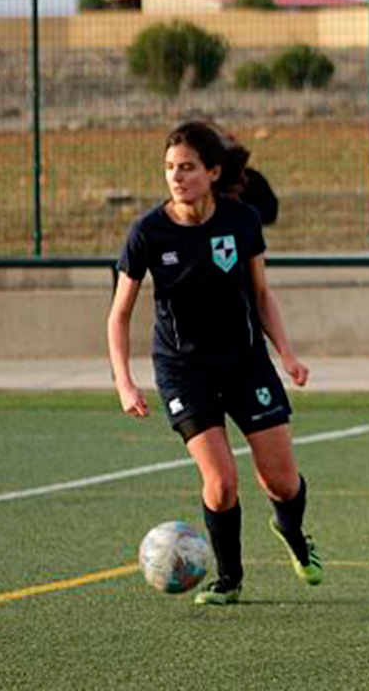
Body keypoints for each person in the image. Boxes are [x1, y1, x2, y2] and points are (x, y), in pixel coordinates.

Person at [107, 120, 322, 605]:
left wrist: (286, 353)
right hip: (185, 372)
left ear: (212, 171)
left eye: (187, 167)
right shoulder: (147, 232)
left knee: (281, 482)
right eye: (168, 168)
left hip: (246, 363)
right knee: (221, 484)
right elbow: (118, 316)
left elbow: (262, 294)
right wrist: (125, 382)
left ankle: (293, 536)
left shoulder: (240, 220)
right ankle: (229, 579)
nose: (176, 177)